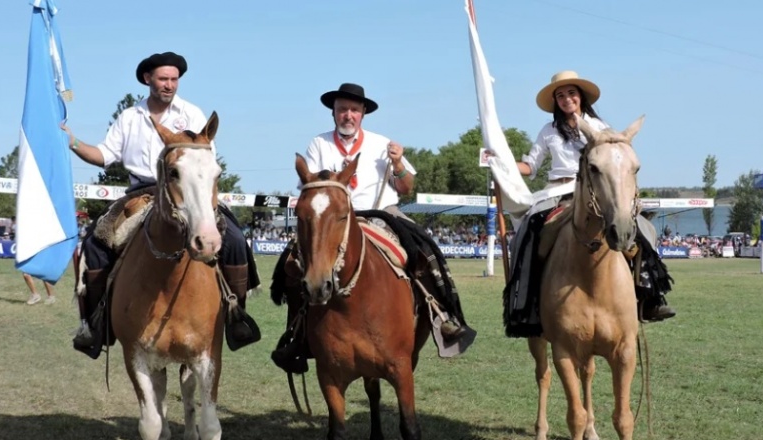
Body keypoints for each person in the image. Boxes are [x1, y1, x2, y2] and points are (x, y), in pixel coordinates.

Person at [61, 51, 260, 359]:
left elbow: (205, 159)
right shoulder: (129, 117)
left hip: (188, 190)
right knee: (94, 244)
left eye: (174, 79)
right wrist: (72, 142)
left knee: (234, 239)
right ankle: (95, 324)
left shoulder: (193, 113)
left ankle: (237, 316)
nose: (169, 85)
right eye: (163, 79)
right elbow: (103, 154)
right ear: (147, 80)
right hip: (141, 192)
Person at [271, 82, 476, 373]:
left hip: (382, 213)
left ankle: (443, 316)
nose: (348, 115)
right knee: (292, 262)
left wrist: (399, 164)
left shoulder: (382, 144)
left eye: (354, 110)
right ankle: (296, 333)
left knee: (424, 248)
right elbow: (311, 185)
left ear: (363, 113)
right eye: (342, 109)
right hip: (334, 219)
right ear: (333, 113)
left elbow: (405, 187)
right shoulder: (318, 144)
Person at [514, 70, 675, 322]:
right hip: (558, 191)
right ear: (555, 101)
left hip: (597, 192)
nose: (567, 99)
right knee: (530, 225)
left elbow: (616, 161)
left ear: (581, 97)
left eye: (571, 93)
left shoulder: (601, 127)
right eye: (560, 95)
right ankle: (526, 299)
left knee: (644, 229)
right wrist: (502, 162)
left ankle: (649, 298)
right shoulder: (548, 131)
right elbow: (531, 167)